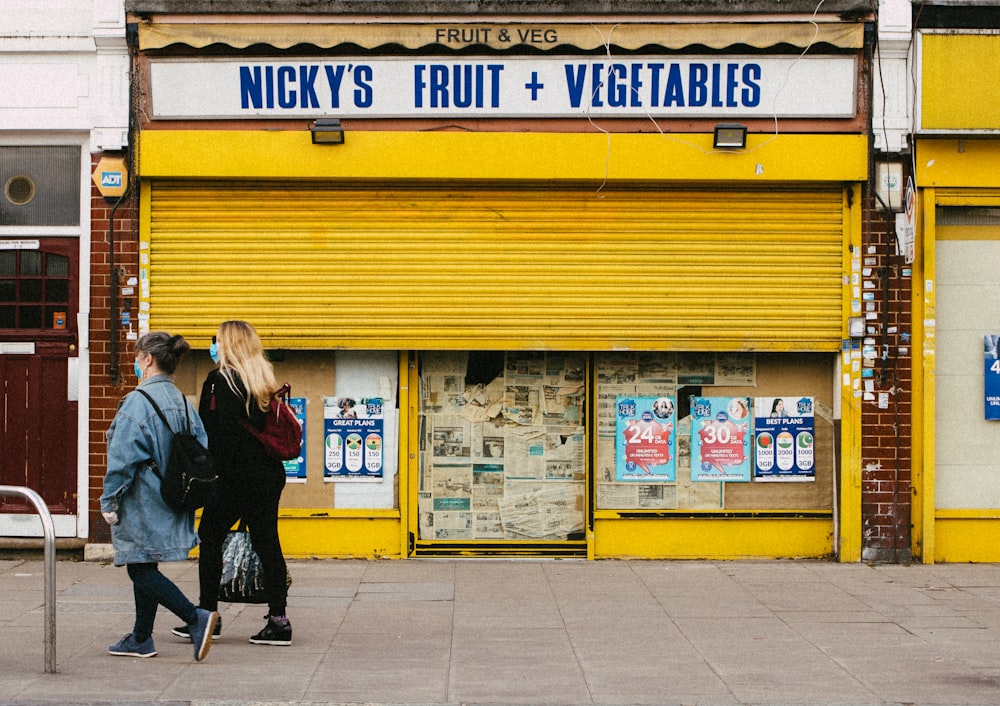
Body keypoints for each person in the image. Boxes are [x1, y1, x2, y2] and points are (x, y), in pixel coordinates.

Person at [100, 332, 219, 661]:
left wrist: (108, 502)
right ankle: (141, 637)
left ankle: (196, 618)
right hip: (171, 495)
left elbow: (121, 459)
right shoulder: (181, 400)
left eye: (137, 357)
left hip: (141, 500)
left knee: (138, 568)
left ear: (148, 359)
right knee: (144, 562)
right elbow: (200, 445)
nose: (136, 363)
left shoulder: (137, 402)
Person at [173, 320, 292, 646]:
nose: (214, 346)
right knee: (268, 542)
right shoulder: (263, 381)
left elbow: (211, 434)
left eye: (217, 341)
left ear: (228, 345)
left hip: (232, 477)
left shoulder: (218, 381)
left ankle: (208, 615)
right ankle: (279, 622)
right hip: (267, 475)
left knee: (210, 537)